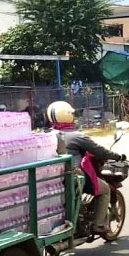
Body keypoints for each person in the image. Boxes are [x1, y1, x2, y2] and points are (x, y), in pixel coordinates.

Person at [47, 100, 120, 237]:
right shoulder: (76, 136)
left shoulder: (48, 135)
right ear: (68, 115)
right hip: (73, 177)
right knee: (105, 190)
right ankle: (98, 225)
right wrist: (117, 156)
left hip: (54, 178)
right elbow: (99, 150)